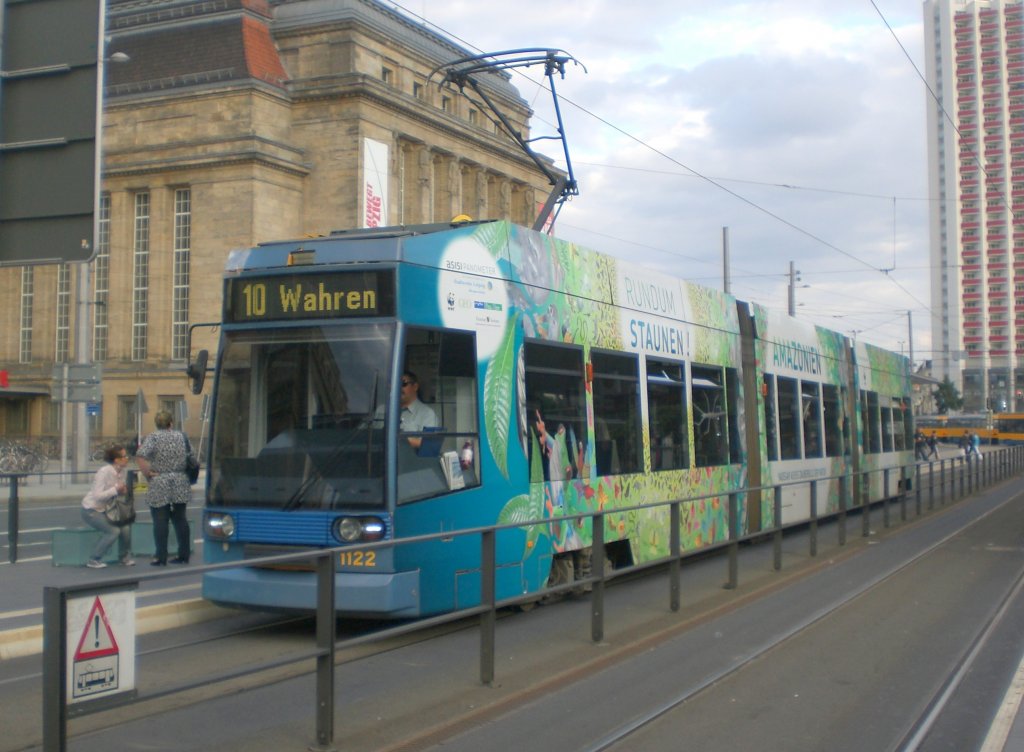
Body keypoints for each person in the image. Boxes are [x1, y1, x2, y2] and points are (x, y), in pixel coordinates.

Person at [135, 410, 193, 566]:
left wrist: (148, 473)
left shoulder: (153, 437)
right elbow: (191, 456)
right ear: (171, 423)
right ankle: (184, 554)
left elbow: (140, 455)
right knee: (180, 518)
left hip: (160, 480)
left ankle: (161, 556)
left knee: (160, 520)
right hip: (180, 479)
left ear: (156, 424)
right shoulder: (182, 436)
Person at [80, 445, 134, 568]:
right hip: (91, 509)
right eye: (124, 456)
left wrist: (123, 491)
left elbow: (120, 491)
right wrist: (115, 490)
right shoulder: (104, 472)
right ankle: (94, 559)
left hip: (107, 508)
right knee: (113, 531)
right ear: (116, 459)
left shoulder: (123, 471)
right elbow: (97, 496)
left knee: (125, 527)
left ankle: (124, 557)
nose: (127, 458)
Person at [398, 370, 437, 449]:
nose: (399, 388)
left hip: (412, 460)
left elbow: (428, 444)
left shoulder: (427, 414)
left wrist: (398, 438)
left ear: (415, 387)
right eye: (395, 384)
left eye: (403, 384)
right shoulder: (382, 410)